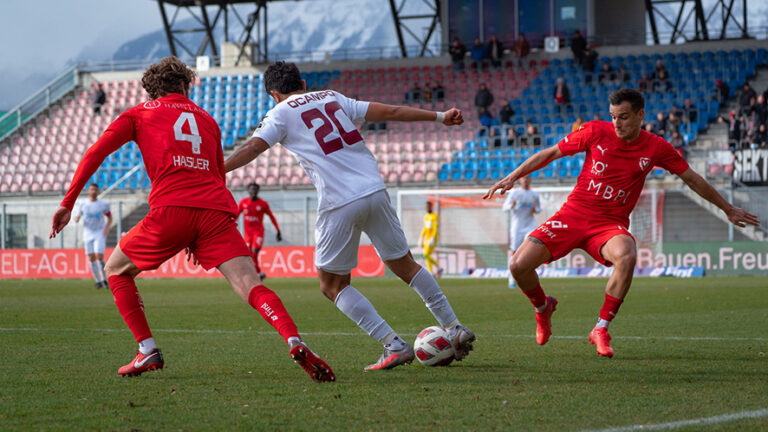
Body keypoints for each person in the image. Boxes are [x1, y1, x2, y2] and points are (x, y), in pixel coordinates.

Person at [49, 57, 335, 382]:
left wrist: (67, 203)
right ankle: (293, 338)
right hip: (215, 211)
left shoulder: (140, 113)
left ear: (152, 91)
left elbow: (95, 152)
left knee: (115, 269)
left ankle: (147, 349)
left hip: (172, 209)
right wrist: (200, 232)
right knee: (250, 284)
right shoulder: (209, 121)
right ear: (185, 85)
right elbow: (217, 175)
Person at [224, 61, 476, 371]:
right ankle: (454, 327)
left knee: (331, 285)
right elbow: (391, 113)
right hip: (375, 190)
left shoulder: (280, 113)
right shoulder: (331, 96)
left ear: (274, 94)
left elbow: (253, 147)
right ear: (302, 83)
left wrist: (217, 169)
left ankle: (392, 344)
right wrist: (440, 117)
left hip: (339, 200)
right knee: (405, 265)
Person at [482, 88, 758, 358]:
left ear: (641, 115)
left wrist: (727, 208)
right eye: (614, 116)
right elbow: (551, 153)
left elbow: (692, 178)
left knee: (627, 254)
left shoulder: (656, 147)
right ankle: (543, 308)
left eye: (624, 116)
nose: (617, 123)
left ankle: (601, 328)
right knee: (518, 266)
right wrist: (513, 176)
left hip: (608, 224)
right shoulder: (594, 131)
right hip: (573, 215)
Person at [501, 175, 540, 289]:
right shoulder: (514, 193)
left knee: (531, 248)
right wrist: (511, 205)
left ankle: (529, 275)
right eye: (524, 178)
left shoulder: (534, 194)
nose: (526, 180)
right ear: (520, 180)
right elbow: (505, 207)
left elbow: (538, 208)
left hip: (530, 225)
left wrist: (535, 210)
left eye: (528, 178)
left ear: (530, 179)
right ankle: (511, 278)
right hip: (517, 226)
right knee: (515, 251)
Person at [237, 182, 282, 279]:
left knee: (254, 252)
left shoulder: (263, 204)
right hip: (248, 233)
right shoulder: (243, 203)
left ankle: (257, 273)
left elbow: (271, 216)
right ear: (248, 191)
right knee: (249, 254)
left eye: (255, 189)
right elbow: (236, 215)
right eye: (251, 189)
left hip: (258, 232)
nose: (253, 191)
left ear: (258, 191)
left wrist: (278, 230)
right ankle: (259, 273)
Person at [73, 183, 112, 289]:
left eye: (95, 190)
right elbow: (77, 215)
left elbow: (109, 216)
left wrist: (107, 227)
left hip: (99, 232)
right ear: (88, 191)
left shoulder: (103, 204)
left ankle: (104, 279)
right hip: (87, 232)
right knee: (91, 258)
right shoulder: (83, 204)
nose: (93, 191)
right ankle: (98, 280)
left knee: (99, 256)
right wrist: (77, 218)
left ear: (98, 191)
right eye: (91, 190)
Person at [419, 201, 444, 277]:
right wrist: (421, 238)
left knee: (426, 254)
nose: (427, 208)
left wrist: (433, 238)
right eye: (426, 207)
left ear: (431, 207)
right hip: (427, 238)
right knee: (427, 255)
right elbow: (425, 228)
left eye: (428, 207)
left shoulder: (435, 216)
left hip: (433, 238)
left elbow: (435, 228)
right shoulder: (426, 216)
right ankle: (431, 272)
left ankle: (437, 267)